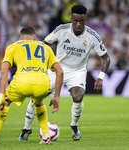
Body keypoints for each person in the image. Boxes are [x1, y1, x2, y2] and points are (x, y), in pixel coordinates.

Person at [19, 5, 110, 141]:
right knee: (37, 95)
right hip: (57, 68)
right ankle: (26, 128)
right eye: (75, 21)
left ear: (86, 19)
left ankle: (74, 126)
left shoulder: (92, 36)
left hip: (77, 71)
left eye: (82, 21)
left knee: (78, 96)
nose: (78, 24)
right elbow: (44, 43)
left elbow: (106, 58)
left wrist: (100, 77)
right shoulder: (61, 30)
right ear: (71, 19)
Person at [0, 27, 63, 145]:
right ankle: (46, 137)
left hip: (22, 82)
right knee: (39, 102)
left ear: (20, 38)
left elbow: (4, 70)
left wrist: (1, 95)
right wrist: (56, 96)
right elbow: (60, 72)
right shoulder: (46, 47)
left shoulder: (13, 46)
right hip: (42, 83)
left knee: (5, 101)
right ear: (35, 38)